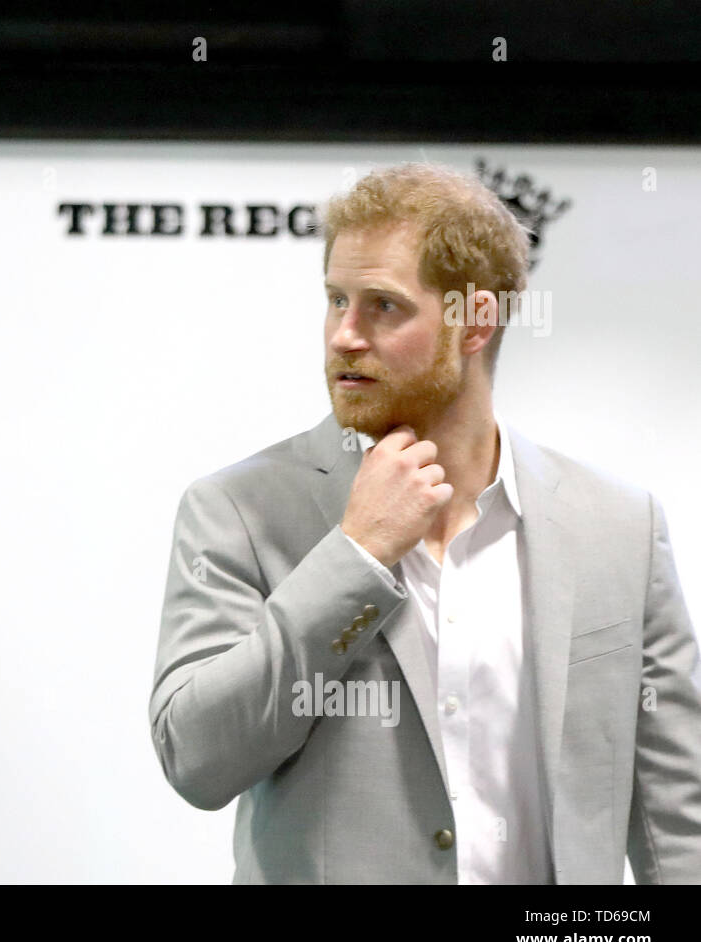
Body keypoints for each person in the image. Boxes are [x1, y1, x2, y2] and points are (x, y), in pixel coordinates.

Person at [149, 163, 701, 884]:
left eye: (382, 306)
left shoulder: (618, 526)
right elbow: (197, 758)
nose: (344, 335)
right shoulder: (237, 510)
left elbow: (676, 819)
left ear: (476, 321)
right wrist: (357, 555)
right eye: (336, 300)